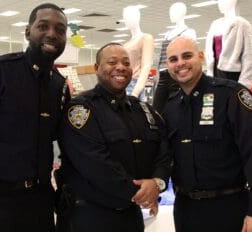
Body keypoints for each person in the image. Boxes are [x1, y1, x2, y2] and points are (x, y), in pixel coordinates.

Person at [0, 3, 70, 232]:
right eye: (43, 26)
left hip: (40, 204)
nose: (52, 33)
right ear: (28, 32)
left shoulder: (59, 85)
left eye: (60, 29)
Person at [55, 43, 172, 232]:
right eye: (112, 62)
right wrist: (142, 194)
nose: (120, 67)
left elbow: (164, 151)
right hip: (90, 217)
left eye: (126, 63)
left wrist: (157, 183)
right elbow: (96, 164)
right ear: (96, 68)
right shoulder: (81, 110)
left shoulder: (143, 110)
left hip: (130, 216)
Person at [163, 36, 252, 232]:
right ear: (168, 65)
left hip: (229, 209)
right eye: (173, 59)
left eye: (187, 56)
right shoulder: (170, 106)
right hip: (185, 210)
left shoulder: (231, 95)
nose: (180, 63)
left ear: (201, 57)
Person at [153, 1, 196, 113]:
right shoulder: (167, 34)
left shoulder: (189, 32)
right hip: (163, 75)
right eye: (170, 11)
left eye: (174, 11)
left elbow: (191, 56)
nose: (171, 14)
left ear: (183, 13)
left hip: (177, 74)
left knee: (176, 108)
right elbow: (164, 56)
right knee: (157, 109)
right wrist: (157, 74)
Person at [205, 0, 252, 89]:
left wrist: (244, 81)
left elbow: (247, 55)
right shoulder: (215, 24)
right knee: (216, 100)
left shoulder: (242, 24)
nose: (220, 3)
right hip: (214, 71)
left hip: (232, 73)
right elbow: (210, 51)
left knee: (231, 101)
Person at [123, 6, 154, 102]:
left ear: (138, 17)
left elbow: (146, 66)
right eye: (125, 17)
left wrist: (135, 93)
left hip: (134, 85)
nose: (126, 20)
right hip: (123, 83)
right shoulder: (126, 44)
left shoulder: (146, 38)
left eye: (129, 16)